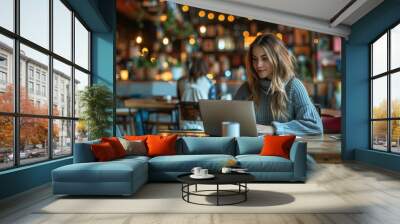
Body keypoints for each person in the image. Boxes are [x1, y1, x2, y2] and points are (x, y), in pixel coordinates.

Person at [234, 33, 323, 136]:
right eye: (254, 59)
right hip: (250, 150)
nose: (258, 65)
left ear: (277, 59)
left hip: (284, 151)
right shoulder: (246, 88)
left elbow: (315, 126)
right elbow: (228, 122)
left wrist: (273, 129)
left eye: (265, 58)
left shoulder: (293, 86)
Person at [177, 58, 215, 130]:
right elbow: (212, 104)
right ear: (205, 67)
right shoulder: (209, 83)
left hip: (183, 123)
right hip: (204, 125)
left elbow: (179, 100)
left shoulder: (180, 82)